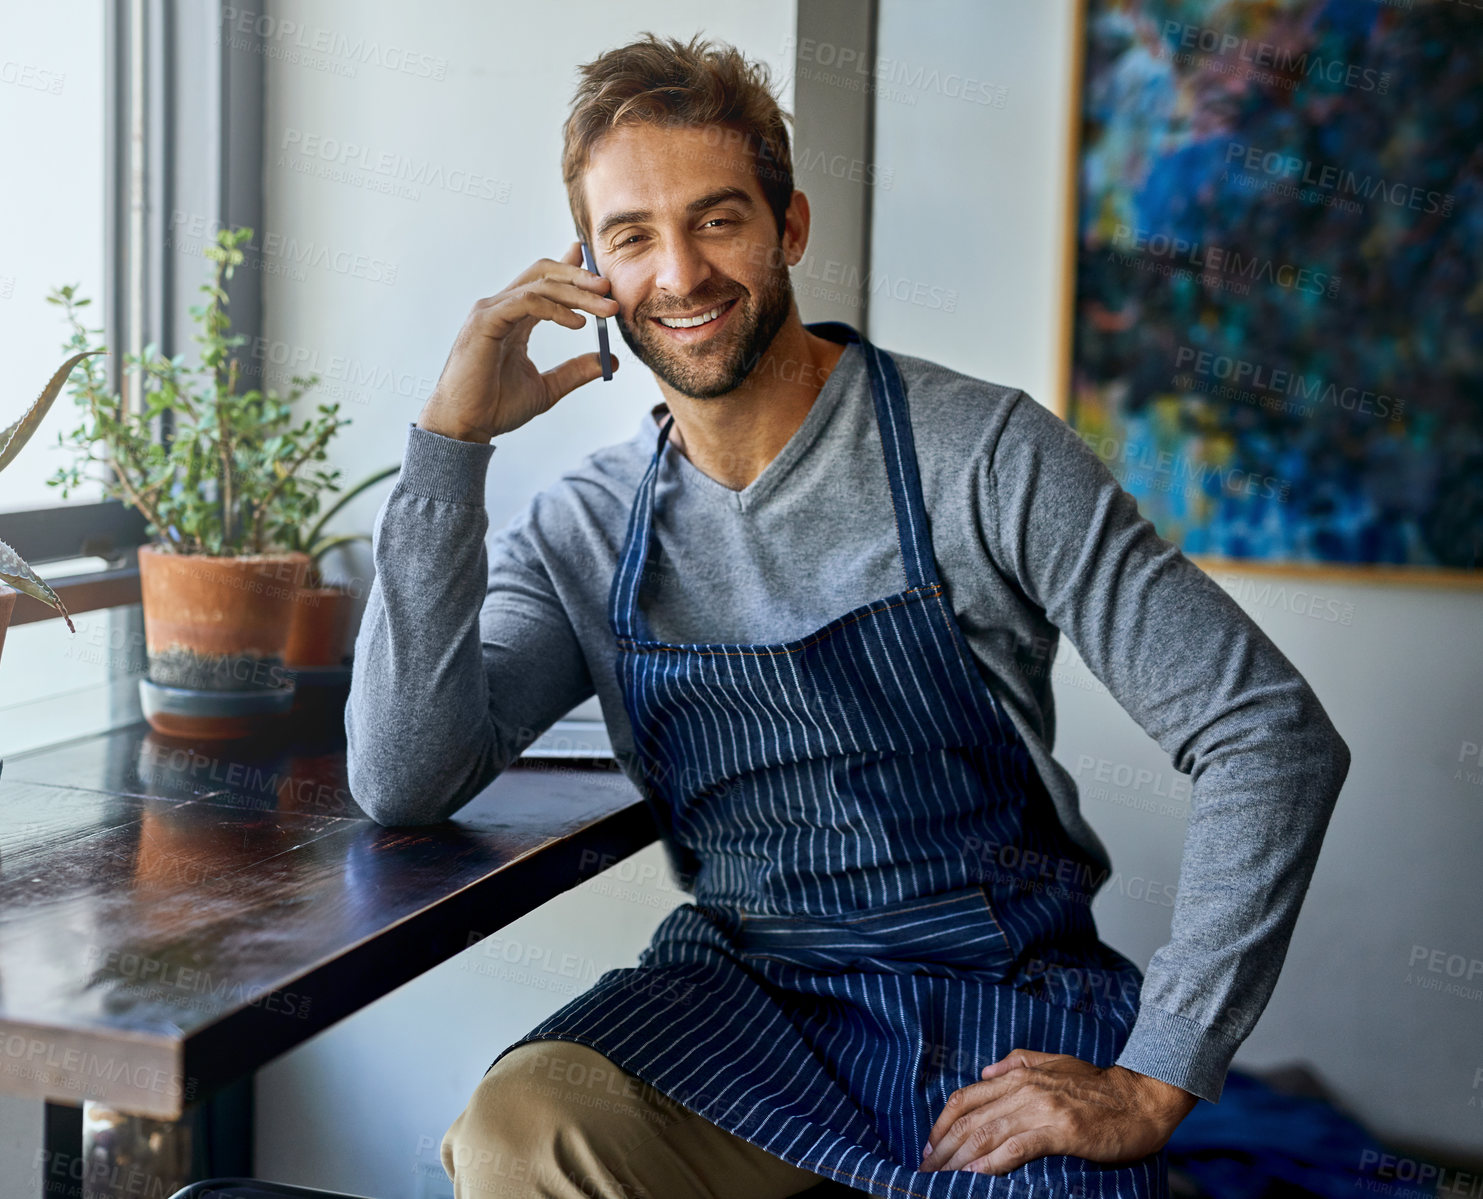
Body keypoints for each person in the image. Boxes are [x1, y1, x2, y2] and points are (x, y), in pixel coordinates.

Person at [345, 32, 1350, 1199]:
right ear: (589, 272)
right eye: (631, 236)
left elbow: (1266, 733)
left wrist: (1155, 1073)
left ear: (789, 229)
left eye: (717, 219)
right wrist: (448, 445)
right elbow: (404, 776)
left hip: (1003, 1001)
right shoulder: (586, 527)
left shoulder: (982, 453)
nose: (677, 273)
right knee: (521, 1130)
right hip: (746, 999)